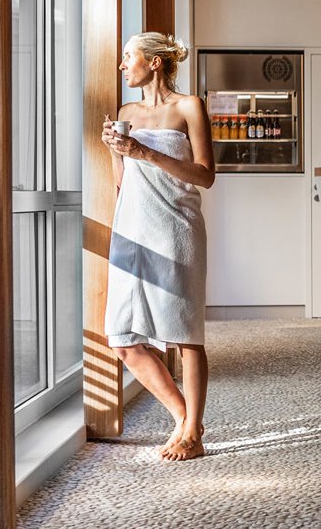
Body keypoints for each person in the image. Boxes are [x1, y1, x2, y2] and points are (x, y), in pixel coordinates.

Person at [100, 32, 215, 461]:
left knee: (185, 335)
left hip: (175, 229)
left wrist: (142, 152)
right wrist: (116, 151)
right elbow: (123, 183)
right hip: (131, 231)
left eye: (128, 57)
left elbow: (205, 175)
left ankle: (192, 435)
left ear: (154, 62)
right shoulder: (126, 113)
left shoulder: (189, 107)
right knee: (122, 339)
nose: (122, 65)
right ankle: (185, 419)